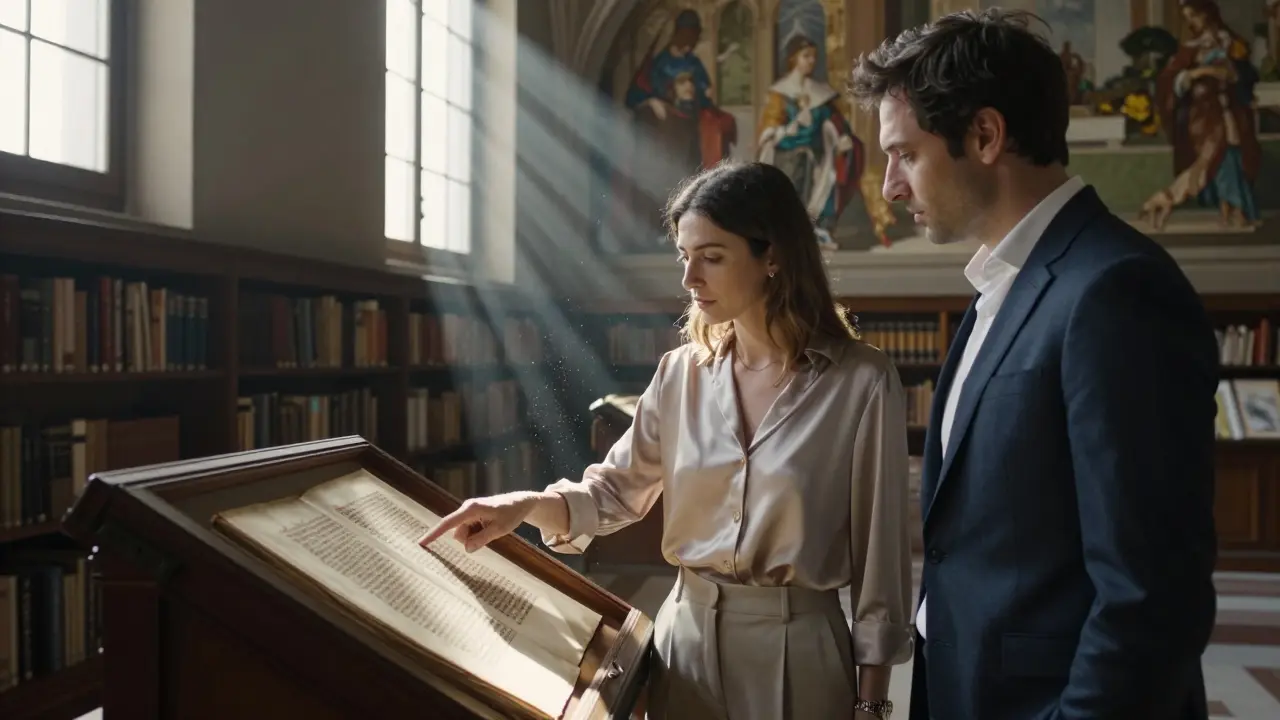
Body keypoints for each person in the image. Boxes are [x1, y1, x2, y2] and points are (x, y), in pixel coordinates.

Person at [420, 160, 915, 720]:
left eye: (712, 256)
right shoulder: (681, 374)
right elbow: (612, 493)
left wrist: (873, 705)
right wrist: (526, 505)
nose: (689, 278)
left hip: (802, 653)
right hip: (686, 645)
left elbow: (883, 558)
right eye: (685, 256)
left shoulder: (861, 382)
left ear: (772, 255)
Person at [849, 8, 1220, 720]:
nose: (891, 186)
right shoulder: (1004, 284)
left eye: (905, 154)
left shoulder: (1114, 290)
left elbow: (1151, 598)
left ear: (985, 135)